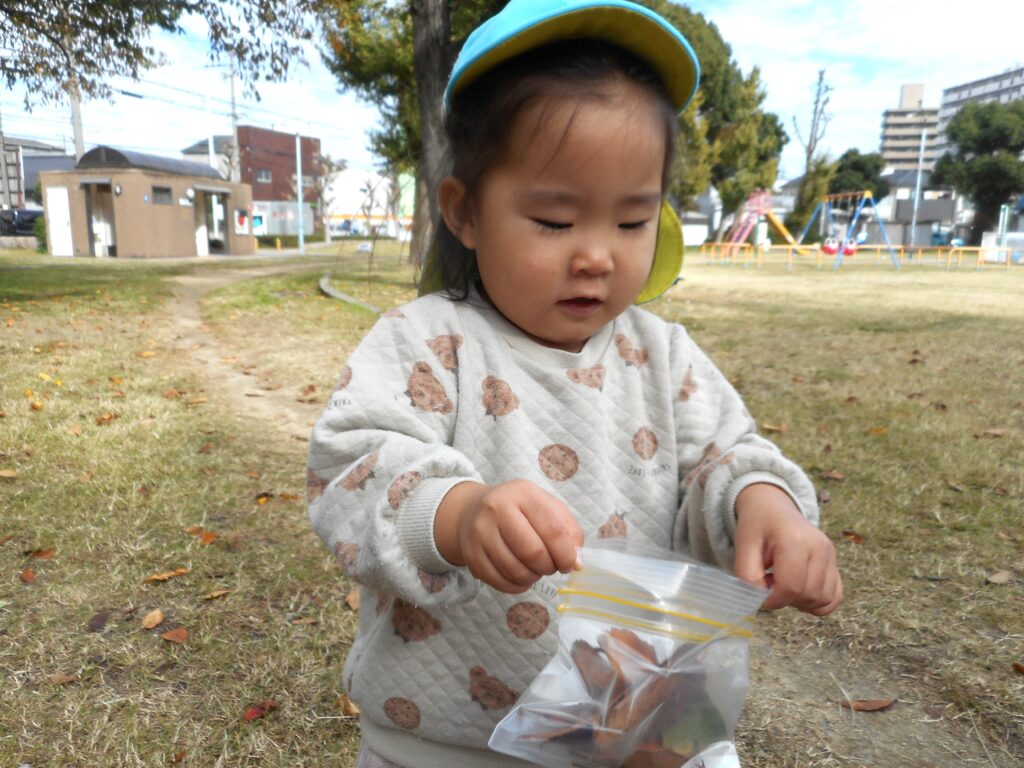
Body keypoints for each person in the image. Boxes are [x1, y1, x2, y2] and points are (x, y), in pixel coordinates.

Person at [307, 2, 843, 766]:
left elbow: (725, 457)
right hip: (442, 734)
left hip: (634, 725)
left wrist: (769, 507)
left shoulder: (663, 355)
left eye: (631, 222)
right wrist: (457, 516)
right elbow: (349, 467)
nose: (596, 255)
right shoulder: (430, 343)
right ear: (464, 211)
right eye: (555, 221)